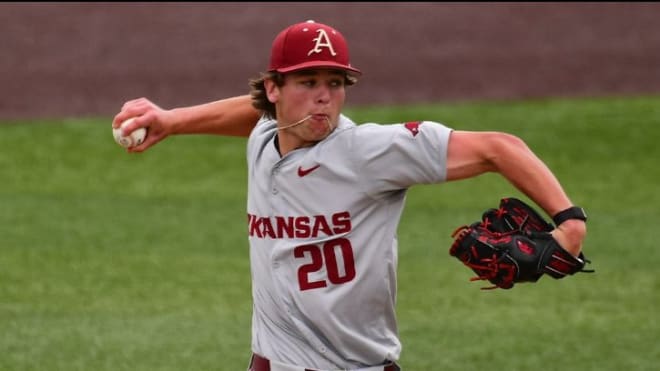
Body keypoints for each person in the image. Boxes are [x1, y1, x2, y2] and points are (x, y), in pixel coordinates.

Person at [112, 20, 587, 371]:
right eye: (308, 83)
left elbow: (499, 148)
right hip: (270, 363)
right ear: (274, 89)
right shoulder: (264, 136)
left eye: (335, 84)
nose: (324, 97)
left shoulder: (369, 152)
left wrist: (569, 222)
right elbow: (255, 116)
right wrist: (172, 121)